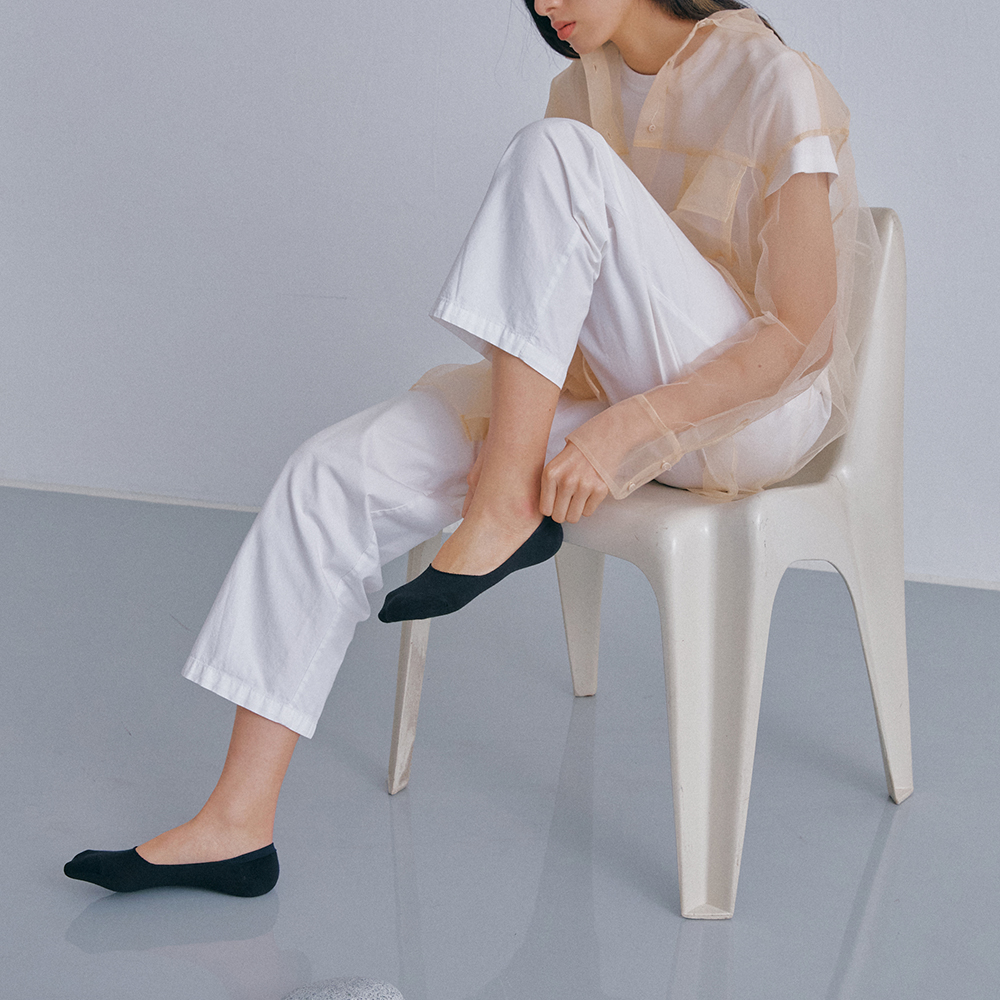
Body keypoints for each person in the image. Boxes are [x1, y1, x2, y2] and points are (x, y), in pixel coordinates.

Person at [64, 0, 875, 897]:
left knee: (553, 153)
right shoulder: (580, 91)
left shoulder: (769, 75)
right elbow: (561, 309)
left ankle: (502, 506)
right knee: (330, 474)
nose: (543, 5)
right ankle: (235, 825)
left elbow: (799, 334)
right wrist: (554, 422)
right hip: (616, 390)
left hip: (756, 416)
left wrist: (623, 430)